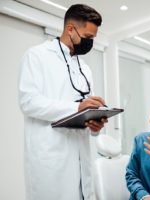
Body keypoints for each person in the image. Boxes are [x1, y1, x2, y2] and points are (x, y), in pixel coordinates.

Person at [18, 4, 106, 200]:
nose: (90, 43)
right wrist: (77, 108)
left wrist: (94, 124)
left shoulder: (84, 68)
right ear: (70, 29)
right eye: (88, 37)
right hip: (51, 159)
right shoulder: (37, 56)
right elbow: (28, 101)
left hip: (81, 158)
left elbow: (85, 110)